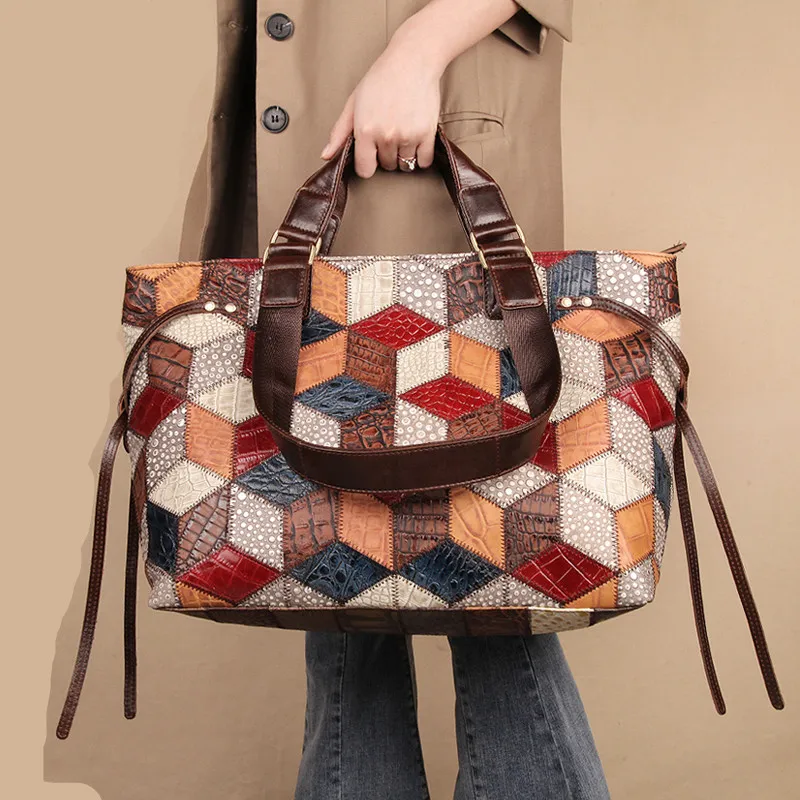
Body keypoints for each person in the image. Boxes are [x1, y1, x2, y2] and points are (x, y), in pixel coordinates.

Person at [180, 1, 610, 798]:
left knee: (490, 548)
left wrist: (420, 47)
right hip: (297, 108)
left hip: (425, 98)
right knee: (330, 556)